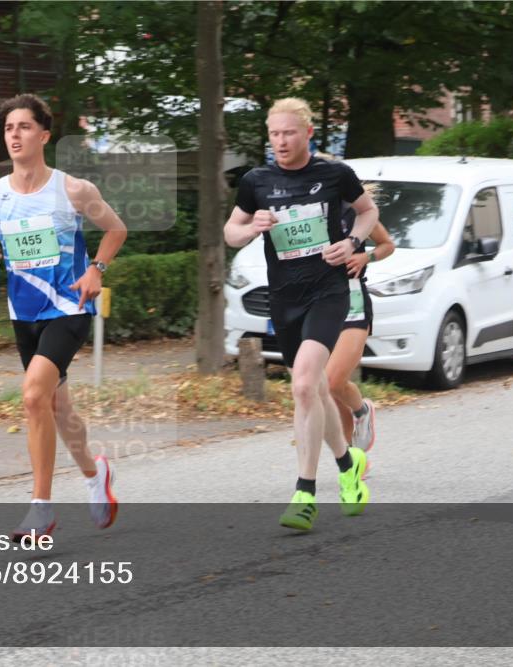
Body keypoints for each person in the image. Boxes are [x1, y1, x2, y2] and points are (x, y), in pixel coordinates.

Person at [0, 93, 127, 539]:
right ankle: (96, 477)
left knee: (34, 395)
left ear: (43, 134)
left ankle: (41, 509)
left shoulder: (73, 190)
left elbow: (116, 229)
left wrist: (97, 268)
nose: (14, 135)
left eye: (23, 127)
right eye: (8, 129)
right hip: (25, 314)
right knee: (58, 407)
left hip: (69, 306)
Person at [223, 98, 379, 531]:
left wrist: (353, 244)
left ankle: (304, 493)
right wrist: (251, 227)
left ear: (308, 133)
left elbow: (368, 212)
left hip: (328, 292)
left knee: (306, 383)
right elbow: (230, 232)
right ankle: (348, 466)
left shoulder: (334, 174)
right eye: (274, 134)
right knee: (314, 392)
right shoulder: (257, 181)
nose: (280, 141)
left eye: (289, 133)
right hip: (285, 298)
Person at [326, 201, 395, 453]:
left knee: (332, 381)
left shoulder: (355, 213)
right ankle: (352, 455)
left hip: (352, 305)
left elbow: (387, 244)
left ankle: (362, 411)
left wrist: (366, 256)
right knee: (329, 390)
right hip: (319, 307)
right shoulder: (304, 214)